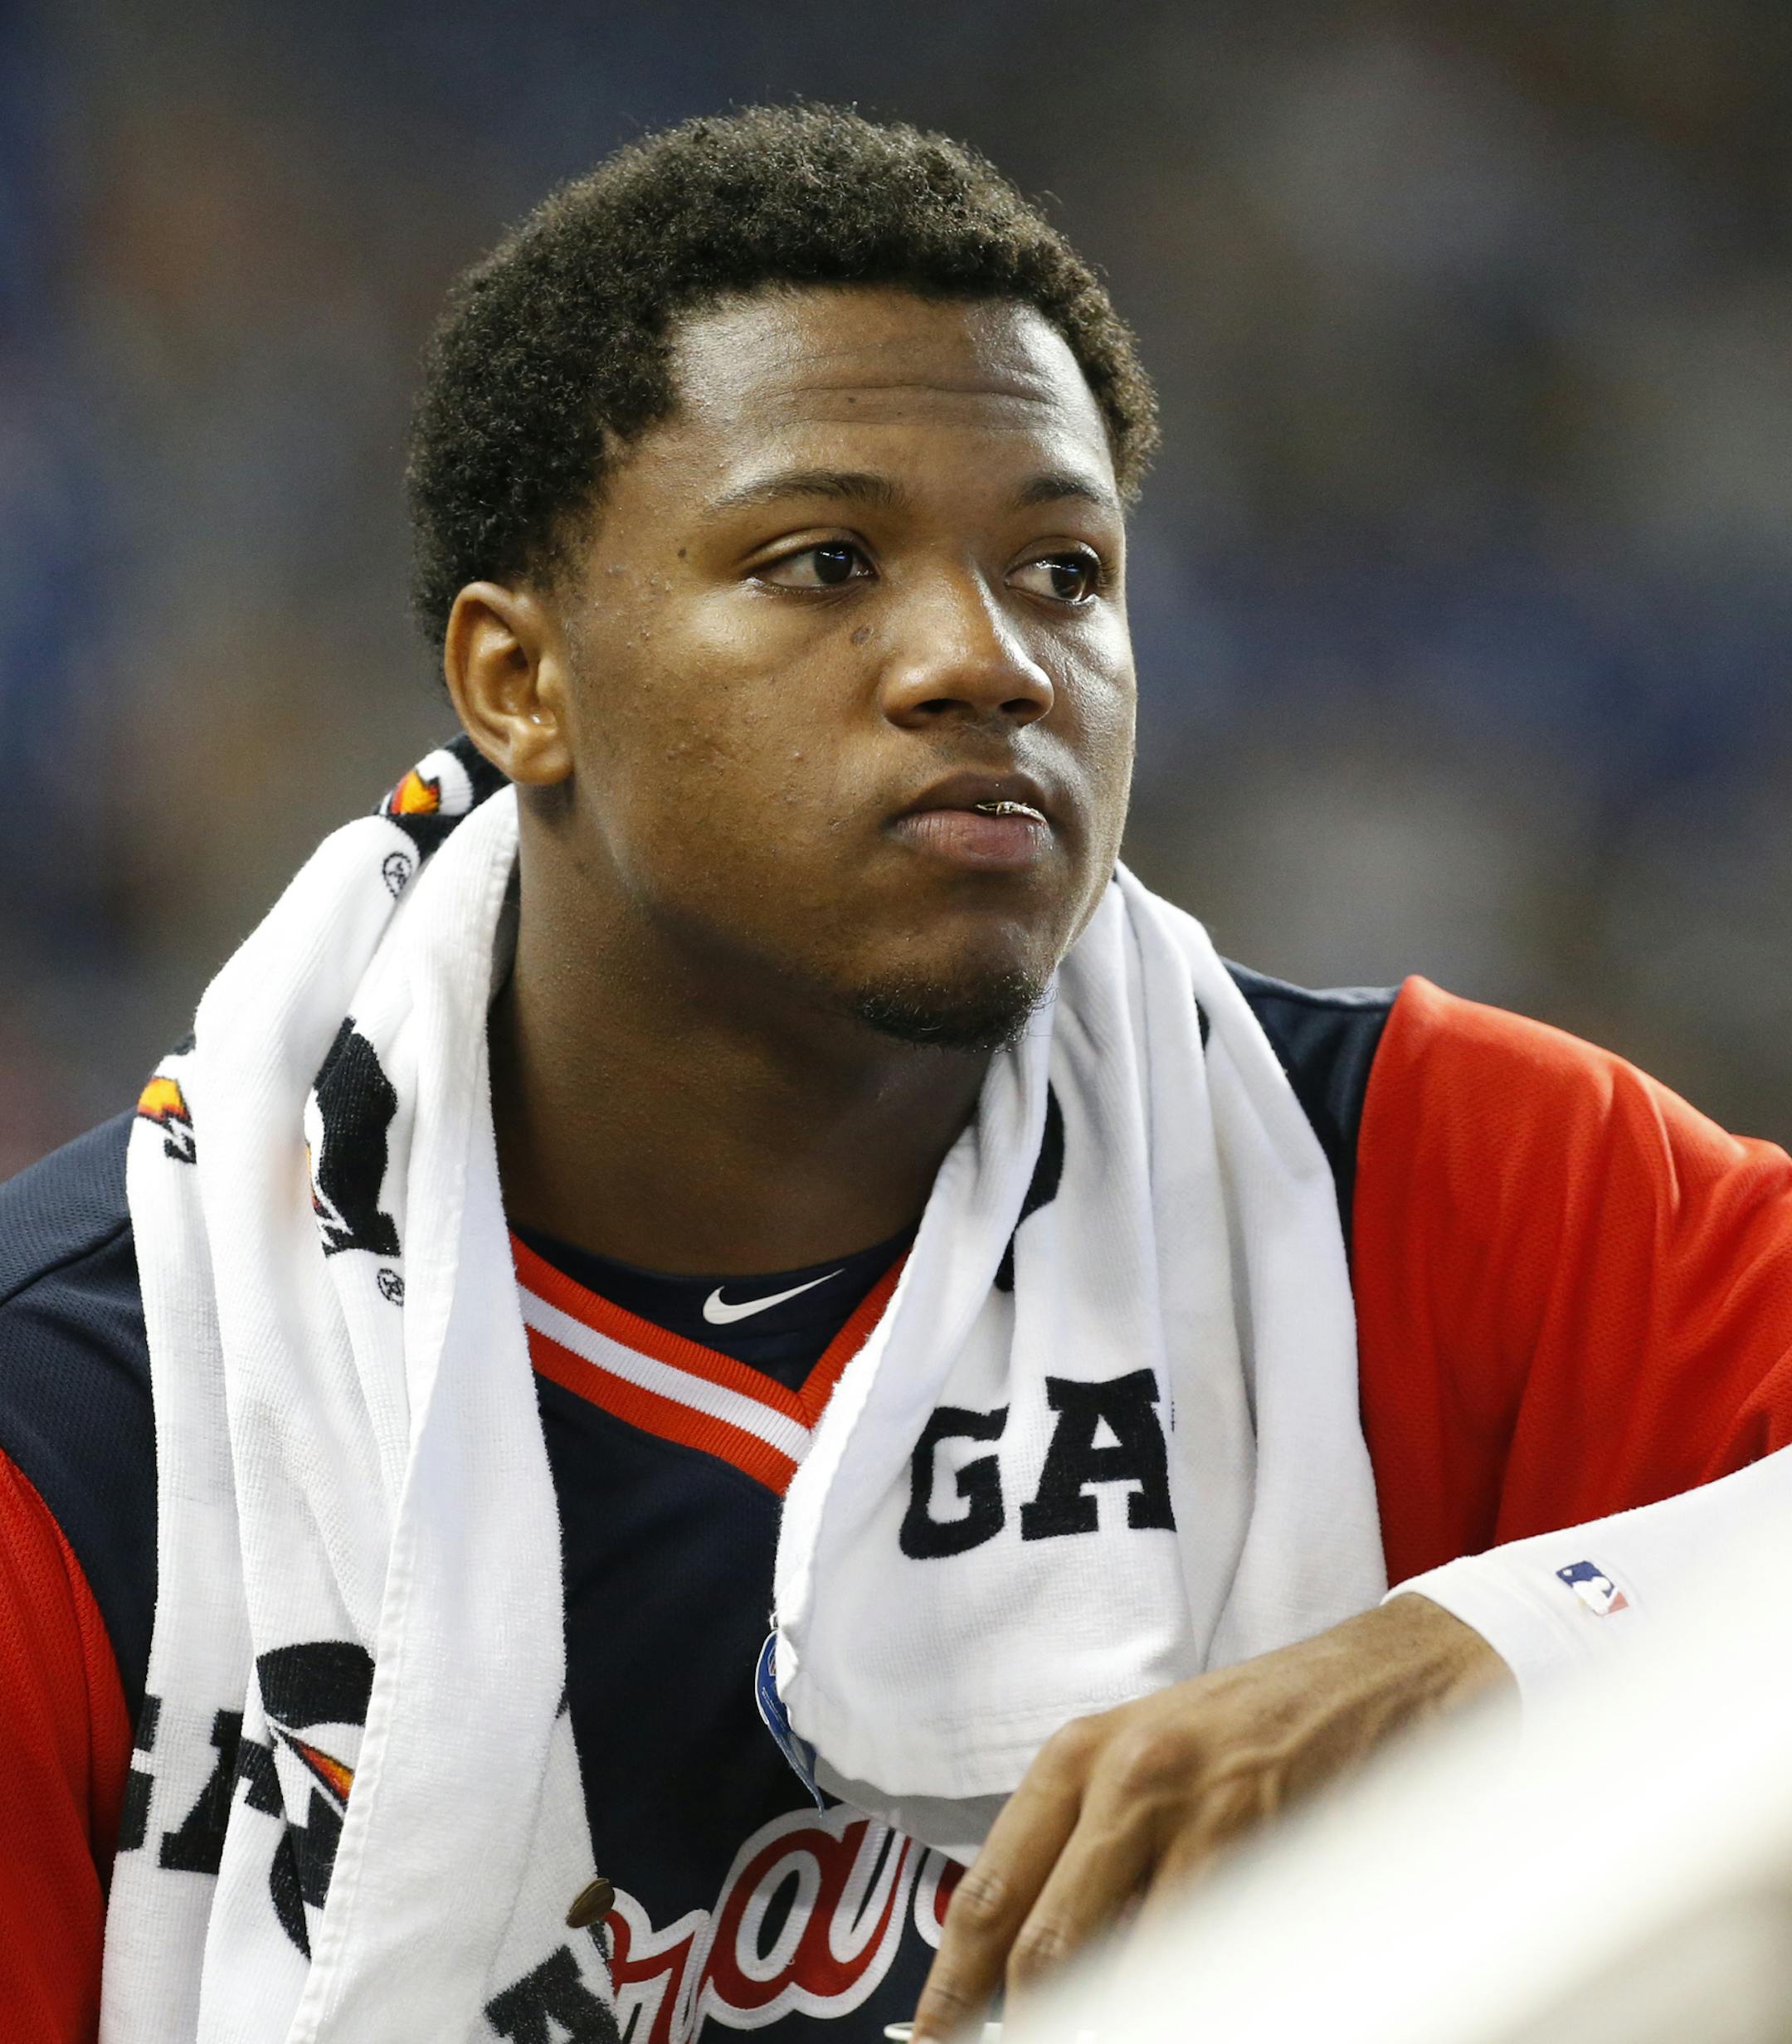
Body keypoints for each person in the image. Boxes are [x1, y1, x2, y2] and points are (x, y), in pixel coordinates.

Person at [4, 105, 1791, 2044]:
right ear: (521, 681)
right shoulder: (95, 1400)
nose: (987, 658)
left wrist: (1502, 1648)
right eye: (825, 559)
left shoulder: (1423, 1173)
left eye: (1066, 572)